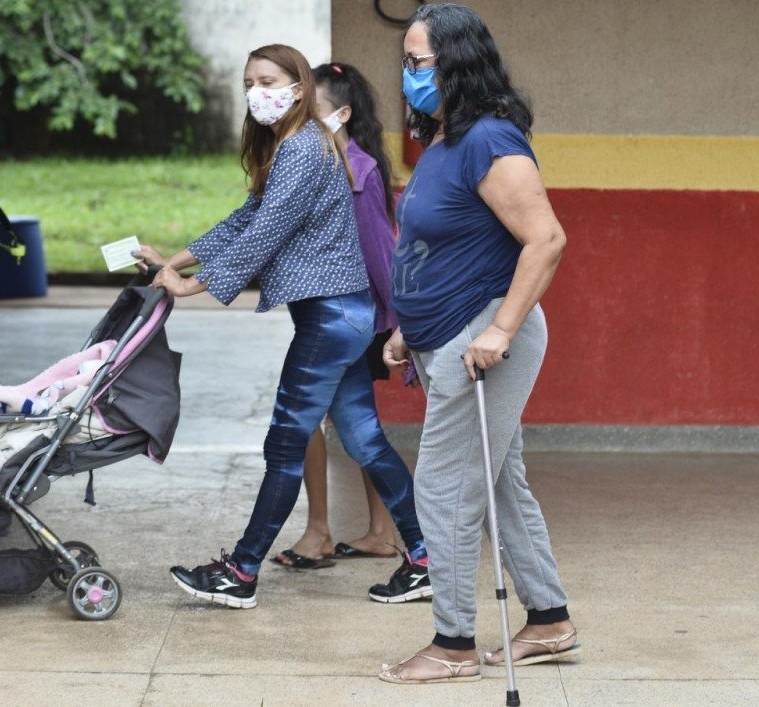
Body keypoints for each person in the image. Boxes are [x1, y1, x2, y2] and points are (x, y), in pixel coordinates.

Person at [136, 44, 431, 609]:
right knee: (366, 441)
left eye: (268, 79)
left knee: (285, 443)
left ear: (298, 87)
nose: (256, 91)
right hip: (343, 316)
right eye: (249, 81)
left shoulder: (301, 148)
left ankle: (241, 571)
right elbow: (247, 217)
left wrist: (194, 287)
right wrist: (174, 262)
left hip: (330, 318)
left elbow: (265, 232)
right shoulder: (298, 146)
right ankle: (423, 560)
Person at [377, 4, 580, 685]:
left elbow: (545, 239)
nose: (408, 75)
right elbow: (441, 243)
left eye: (420, 62)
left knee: (443, 485)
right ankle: (550, 619)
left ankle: (453, 643)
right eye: (406, 62)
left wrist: (499, 330)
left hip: (485, 339)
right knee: (499, 485)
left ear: (459, 63)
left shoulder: (492, 140)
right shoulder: (443, 142)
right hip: (446, 337)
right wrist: (411, 326)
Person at [273, 62, 410, 569]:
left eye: (312, 110)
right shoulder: (317, 163)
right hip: (328, 315)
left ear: (343, 114)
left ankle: (321, 532)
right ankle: (376, 532)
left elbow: (381, 252)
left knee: (318, 422)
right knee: (354, 426)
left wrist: (397, 323)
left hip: (358, 319)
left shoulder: (359, 171)